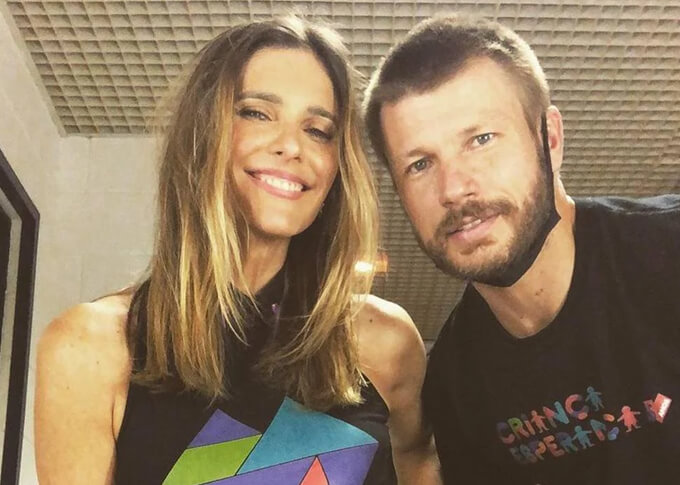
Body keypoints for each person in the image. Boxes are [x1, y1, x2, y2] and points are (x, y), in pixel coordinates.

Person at [35, 16, 439, 485]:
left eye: (317, 130)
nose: (291, 146)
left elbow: (419, 459)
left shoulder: (383, 340)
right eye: (256, 113)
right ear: (202, 134)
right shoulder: (91, 347)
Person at [364, 14, 680, 485]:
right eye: (419, 164)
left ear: (550, 139)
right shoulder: (456, 383)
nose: (453, 188)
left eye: (480, 140)